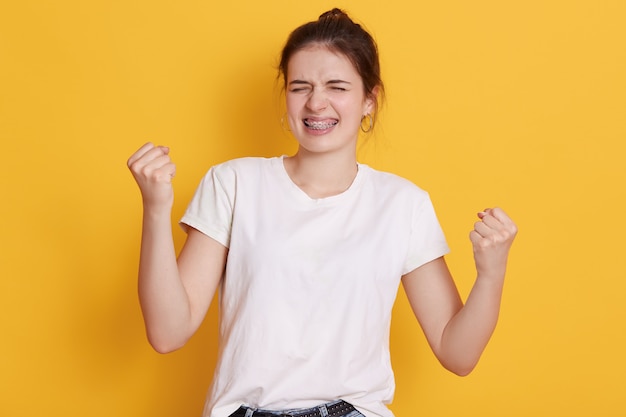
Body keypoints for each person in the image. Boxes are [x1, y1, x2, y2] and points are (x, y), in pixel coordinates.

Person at [127, 8, 517, 417]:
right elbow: (168, 333)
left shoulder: (403, 204)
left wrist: (492, 273)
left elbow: (458, 354)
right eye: (300, 87)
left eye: (337, 86)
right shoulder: (234, 184)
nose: (316, 102)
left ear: (369, 99)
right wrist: (155, 209)